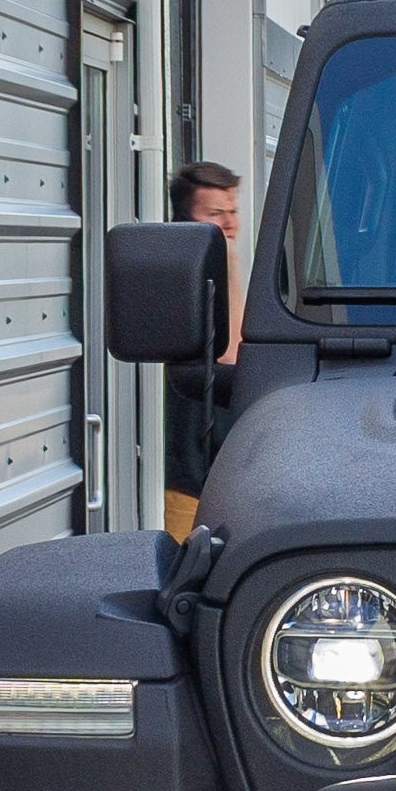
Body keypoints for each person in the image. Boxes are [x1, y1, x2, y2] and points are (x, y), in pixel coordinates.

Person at [163, 160, 245, 539]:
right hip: (187, 477)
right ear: (185, 222)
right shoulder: (179, 279)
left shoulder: (221, 272)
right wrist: (229, 262)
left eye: (233, 212)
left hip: (220, 471)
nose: (229, 224)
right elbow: (231, 356)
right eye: (215, 214)